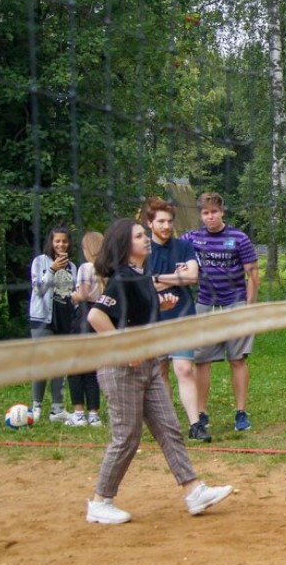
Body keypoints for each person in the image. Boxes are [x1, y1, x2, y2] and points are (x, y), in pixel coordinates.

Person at [84, 218, 233, 525]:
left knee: (169, 428)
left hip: (149, 364)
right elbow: (97, 316)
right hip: (120, 368)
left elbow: (135, 314)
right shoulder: (124, 278)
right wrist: (125, 349)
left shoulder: (141, 275)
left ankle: (194, 491)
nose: (146, 239)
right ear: (126, 247)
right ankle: (100, 501)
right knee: (127, 437)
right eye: (139, 236)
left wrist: (158, 310)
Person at [183, 192, 259, 434]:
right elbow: (169, 246)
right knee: (201, 361)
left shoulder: (238, 237)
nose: (210, 216)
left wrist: (249, 306)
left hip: (235, 304)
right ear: (201, 215)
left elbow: (253, 274)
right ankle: (202, 413)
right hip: (205, 305)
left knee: (237, 359)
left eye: (214, 212)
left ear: (222, 211)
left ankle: (241, 412)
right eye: (205, 213)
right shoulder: (192, 238)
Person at [144, 196, 209, 442]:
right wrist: (174, 277)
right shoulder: (142, 250)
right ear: (150, 223)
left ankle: (195, 425)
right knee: (159, 372)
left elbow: (192, 277)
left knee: (184, 369)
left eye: (170, 221)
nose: (166, 226)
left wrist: (159, 279)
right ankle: (168, 425)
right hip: (153, 320)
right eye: (161, 221)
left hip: (182, 317)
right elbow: (144, 287)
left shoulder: (183, 246)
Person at [29, 225, 77, 423]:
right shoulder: (40, 261)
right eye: (57, 241)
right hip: (42, 320)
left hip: (64, 320)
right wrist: (52, 269)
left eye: (64, 241)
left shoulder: (73, 267)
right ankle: (36, 407)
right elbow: (38, 290)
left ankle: (57, 410)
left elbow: (72, 294)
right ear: (51, 242)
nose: (61, 244)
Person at [66, 231, 104, 427]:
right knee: (92, 368)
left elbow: (83, 294)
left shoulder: (86, 268)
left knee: (74, 367)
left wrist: (70, 296)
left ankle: (78, 413)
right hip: (101, 315)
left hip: (84, 315)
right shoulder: (107, 268)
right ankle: (94, 414)